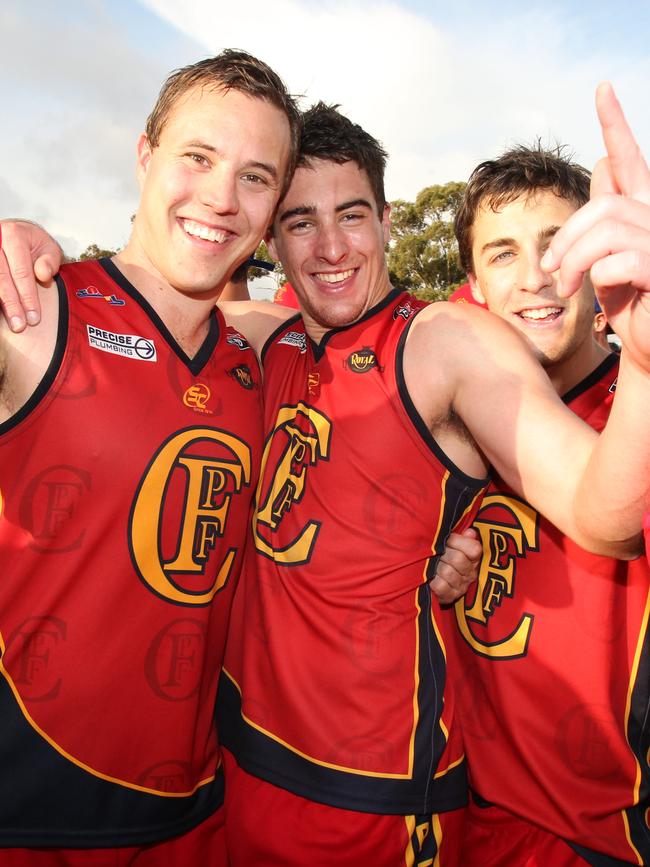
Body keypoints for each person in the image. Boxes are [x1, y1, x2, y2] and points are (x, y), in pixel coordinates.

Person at [5, 84, 650, 865]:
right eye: (300, 222)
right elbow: (167, 309)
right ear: (273, 240)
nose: (331, 246)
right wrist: (25, 248)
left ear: (386, 220)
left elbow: (599, 509)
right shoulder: (263, 344)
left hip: (375, 800)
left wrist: (643, 361)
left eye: (351, 214)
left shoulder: (448, 342)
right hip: (231, 773)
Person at [0, 49, 300, 866]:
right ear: (144, 156)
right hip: (27, 814)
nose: (219, 197)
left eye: (255, 177)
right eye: (198, 158)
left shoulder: (260, 363)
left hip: (194, 813)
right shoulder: (35, 312)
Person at [447, 142, 650, 866]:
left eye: (558, 244)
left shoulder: (638, 422)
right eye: (502, 254)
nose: (536, 277)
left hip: (597, 841)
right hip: (454, 824)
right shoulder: (446, 421)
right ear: (473, 282)